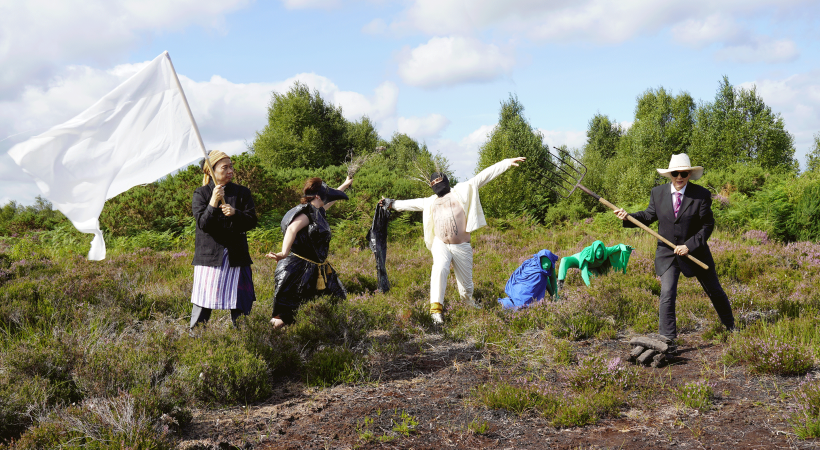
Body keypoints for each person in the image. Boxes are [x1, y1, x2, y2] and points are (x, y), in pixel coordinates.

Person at [381, 157, 526, 324]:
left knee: (466, 286)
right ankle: (436, 311)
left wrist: (506, 163)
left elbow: (484, 175)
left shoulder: (463, 190)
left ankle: (468, 303)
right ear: (431, 185)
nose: (437, 183)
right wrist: (390, 203)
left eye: (439, 179)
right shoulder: (430, 202)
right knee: (440, 268)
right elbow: (410, 204)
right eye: (433, 181)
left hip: (461, 246)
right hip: (440, 243)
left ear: (446, 180)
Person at [614, 153, 734, 344]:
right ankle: (667, 339)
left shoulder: (701, 195)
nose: (679, 177)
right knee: (667, 293)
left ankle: (731, 328)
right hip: (668, 253)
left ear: (689, 175)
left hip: (695, 252)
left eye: (684, 173)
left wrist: (689, 245)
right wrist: (628, 217)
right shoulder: (658, 193)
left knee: (715, 290)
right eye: (675, 173)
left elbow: (707, 226)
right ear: (670, 174)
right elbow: (648, 215)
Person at [265, 176, 353, 328]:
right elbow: (292, 228)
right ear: (318, 196)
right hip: (299, 269)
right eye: (325, 192)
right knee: (286, 314)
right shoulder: (306, 213)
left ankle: (323, 338)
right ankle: (266, 339)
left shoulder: (318, 210)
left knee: (335, 299)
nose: (328, 195)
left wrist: (345, 184)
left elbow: (332, 199)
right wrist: (284, 252)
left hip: (318, 268)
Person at [190, 150, 258, 328]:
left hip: (237, 257)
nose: (230, 170)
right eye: (225, 167)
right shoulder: (201, 194)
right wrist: (213, 202)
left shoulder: (242, 193)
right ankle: (195, 340)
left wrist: (236, 214)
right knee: (203, 305)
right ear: (211, 170)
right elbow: (203, 224)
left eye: (231, 166)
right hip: (209, 259)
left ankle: (245, 342)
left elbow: (252, 221)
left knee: (241, 304)